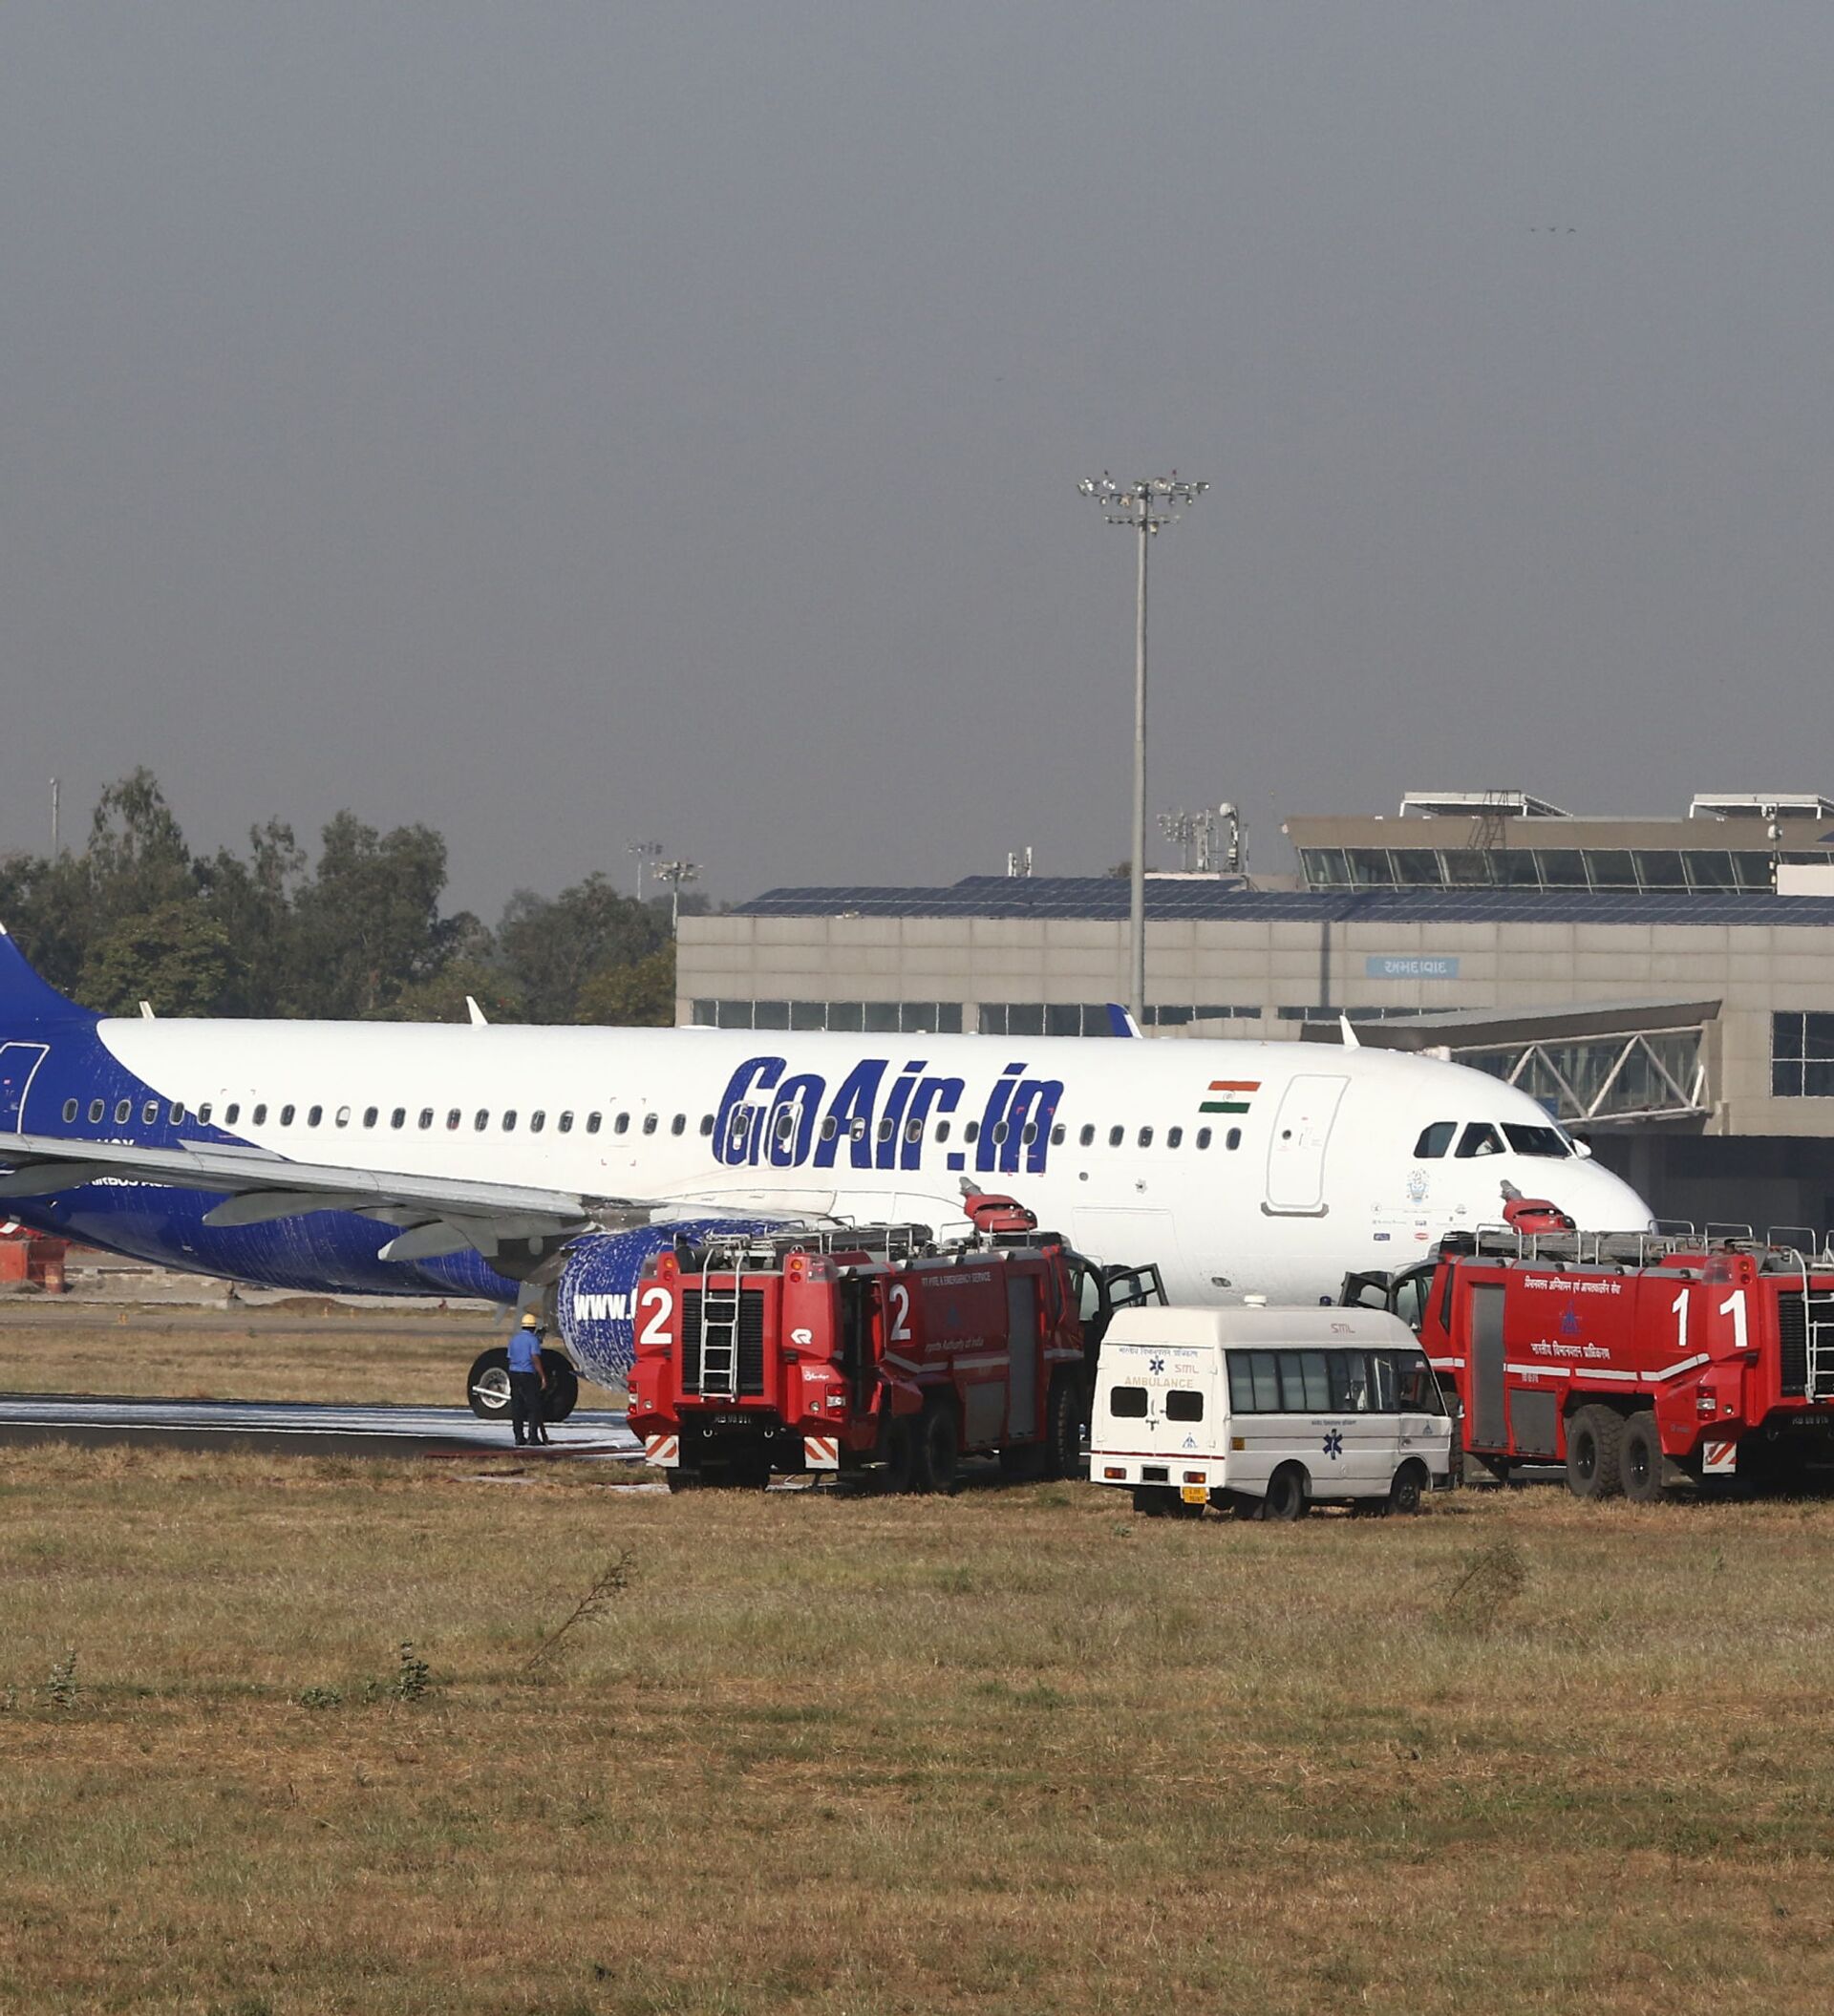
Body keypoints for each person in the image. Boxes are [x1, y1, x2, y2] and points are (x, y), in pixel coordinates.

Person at [506, 1311, 549, 1448]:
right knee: (533, 1406)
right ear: (534, 1327)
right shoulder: (533, 1340)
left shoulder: (514, 1339)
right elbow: (535, 1357)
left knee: (517, 1406)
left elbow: (510, 1357)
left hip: (514, 1373)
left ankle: (519, 1436)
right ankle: (533, 1436)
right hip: (527, 1374)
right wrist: (542, 1376)